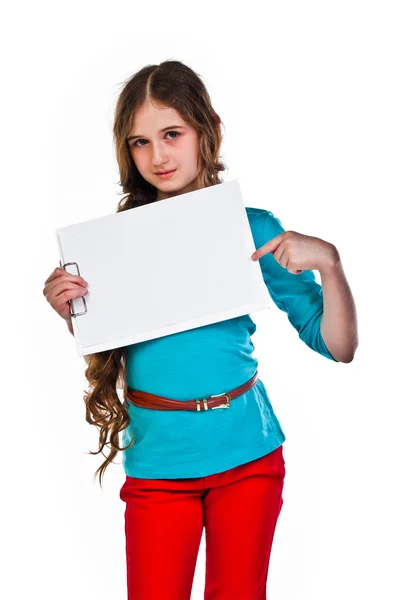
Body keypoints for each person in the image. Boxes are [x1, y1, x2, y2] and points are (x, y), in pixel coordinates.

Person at [43, 59, 358, 600]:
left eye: (171, 134)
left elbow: (339, 346)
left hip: (248, 457)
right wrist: (72, 312)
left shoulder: (253, 230)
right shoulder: (113, 248)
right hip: (160, 462)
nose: (158, 156)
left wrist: (330, 263)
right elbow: (126, 344)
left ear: (206, 126)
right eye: (141, 142)